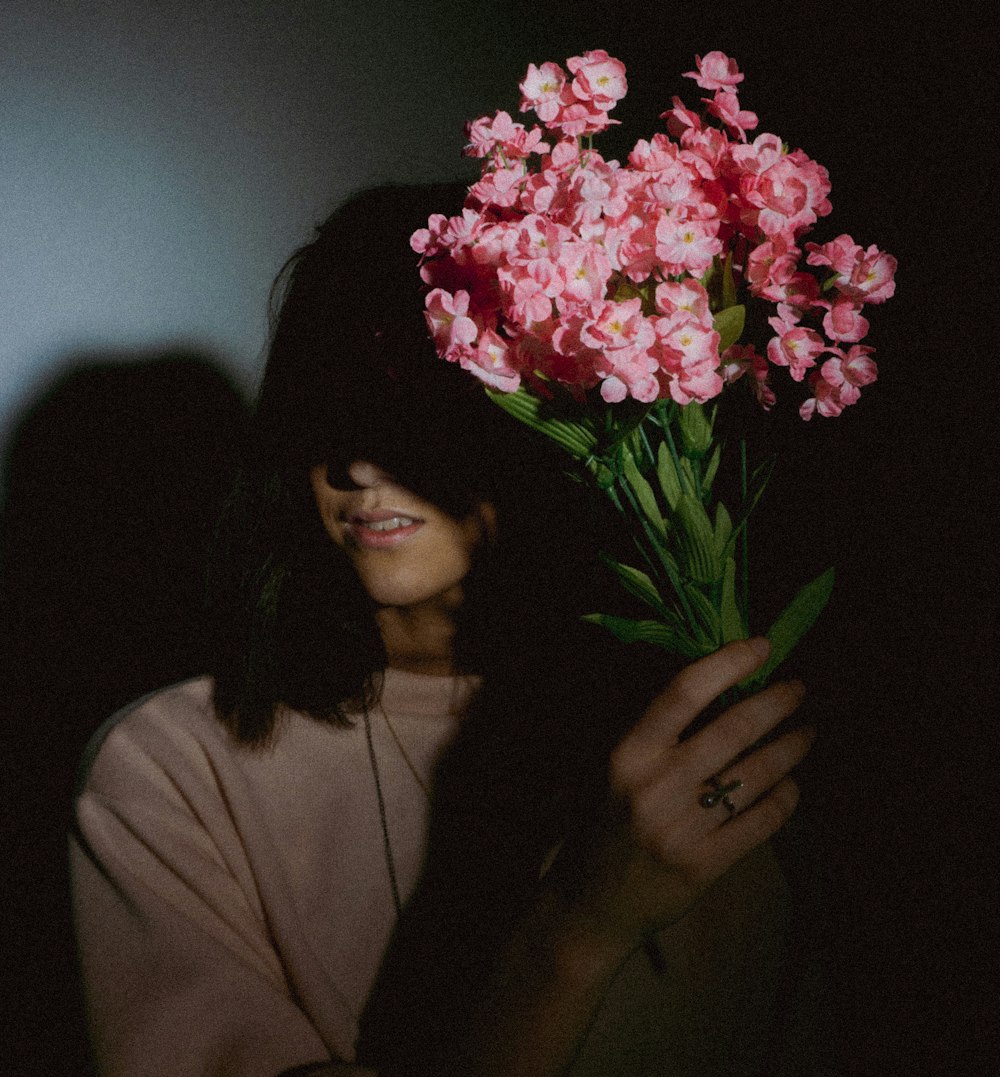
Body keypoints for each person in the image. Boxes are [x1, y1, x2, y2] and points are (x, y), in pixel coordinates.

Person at [70, 184, 814, 1076]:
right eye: (324, 408)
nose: (353, 460)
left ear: (549, 412)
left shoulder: (676, 736)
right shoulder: (169, 770)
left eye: (405, 406)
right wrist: (576, 928)